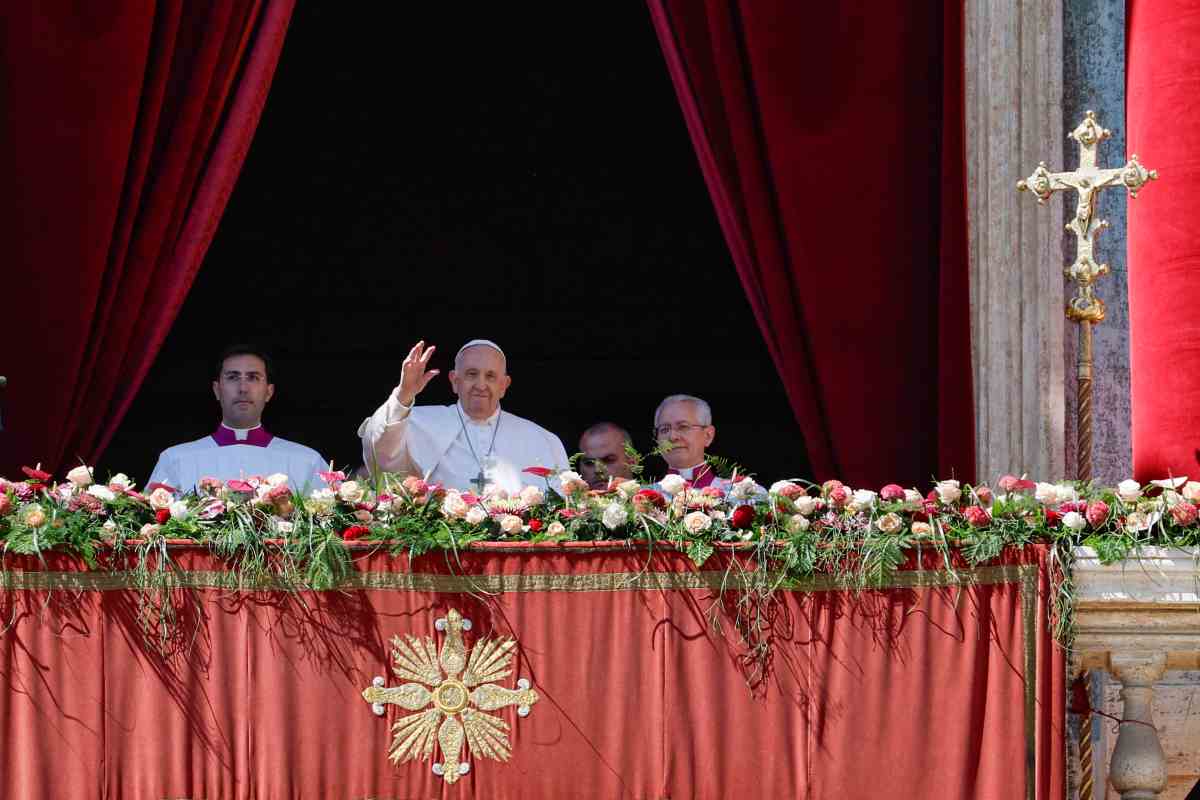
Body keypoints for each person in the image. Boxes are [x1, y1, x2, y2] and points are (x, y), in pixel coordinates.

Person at [358, 339, 569, 494]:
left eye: (490, 376)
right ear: (454, 381)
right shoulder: (415, 422)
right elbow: (380, 454)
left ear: (504, 386)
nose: (480, 385)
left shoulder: (541, 439)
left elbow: (562, 502)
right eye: (471, 374)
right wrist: (404, 394)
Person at [148, 345, 327, 493]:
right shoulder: (176, 459)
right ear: (217, 390)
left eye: (253, 377)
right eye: (233, 377)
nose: (243, 388)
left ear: (269, 392)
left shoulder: (307, 461)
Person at [653, 394, 720, 489]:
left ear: (708, 435)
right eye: (664, 429)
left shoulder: (739, 495)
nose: (672, 437)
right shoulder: (641, 498)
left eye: (683, 427)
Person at [578, 422, 634, 489]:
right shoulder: (570, 499)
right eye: (589, 463)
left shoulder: (649, 498)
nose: (598, 470)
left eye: (608, 460)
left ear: (632, 461)